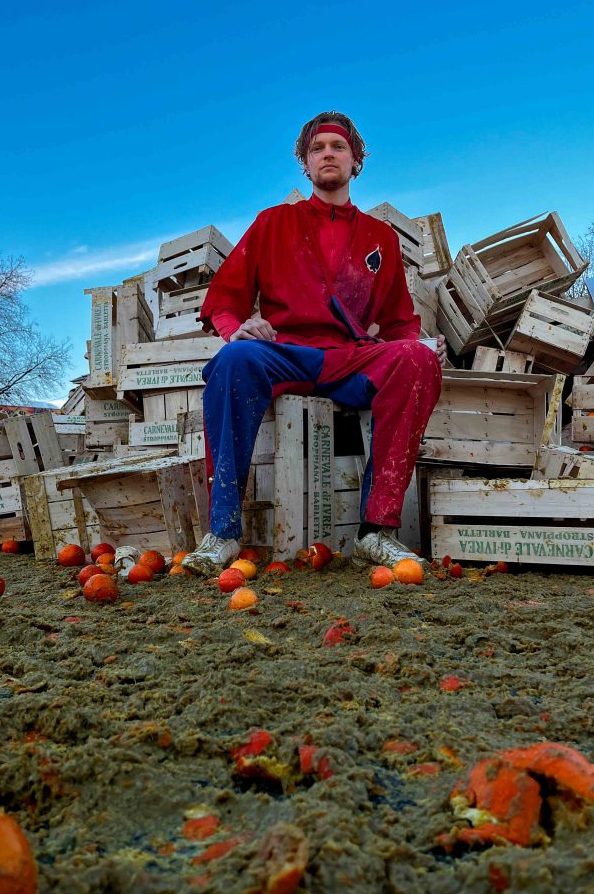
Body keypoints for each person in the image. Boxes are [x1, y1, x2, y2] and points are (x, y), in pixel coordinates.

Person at [182, 111, 445, 576]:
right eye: (318, 147)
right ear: (305, 163)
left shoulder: (380, 238)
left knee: (416, 359)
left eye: (338, 147)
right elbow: (223, 301)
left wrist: (423, 346)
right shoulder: (272, 223)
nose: (328, 153)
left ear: (355, 161)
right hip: (288, 354)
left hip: (351, 358)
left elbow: (400, 321)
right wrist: (237, 327)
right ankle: (222, 533)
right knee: (235, 357)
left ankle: (376, 531)